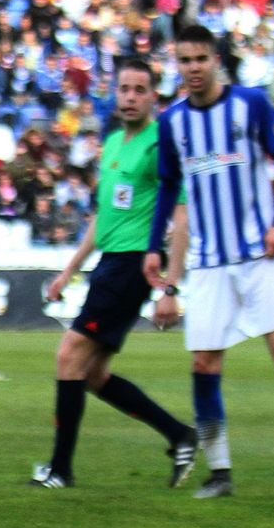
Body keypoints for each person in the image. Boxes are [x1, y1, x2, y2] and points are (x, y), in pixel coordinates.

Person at [146, 25, 274, 502]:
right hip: (210, 264)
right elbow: (169, 186)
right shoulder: (173, 122)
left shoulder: (249, 104)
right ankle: (220, 473)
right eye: (184, 60)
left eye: (200, 59)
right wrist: (155, 246)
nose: (192, 68)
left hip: (257, 255)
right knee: (204, 363)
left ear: (216, 61)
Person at [31, 59, 197, 490]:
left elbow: (180, 216)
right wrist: (70, 269)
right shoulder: (114, 143)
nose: (130, 97)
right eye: (124, 88)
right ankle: (179, 435)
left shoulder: (160, 144)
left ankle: (60, 470)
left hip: (134, 264)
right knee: (91, 374)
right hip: (110, 263)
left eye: (140, 89)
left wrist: (170, 287)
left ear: (153, 97)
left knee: (69, 355)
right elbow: (103, 216)